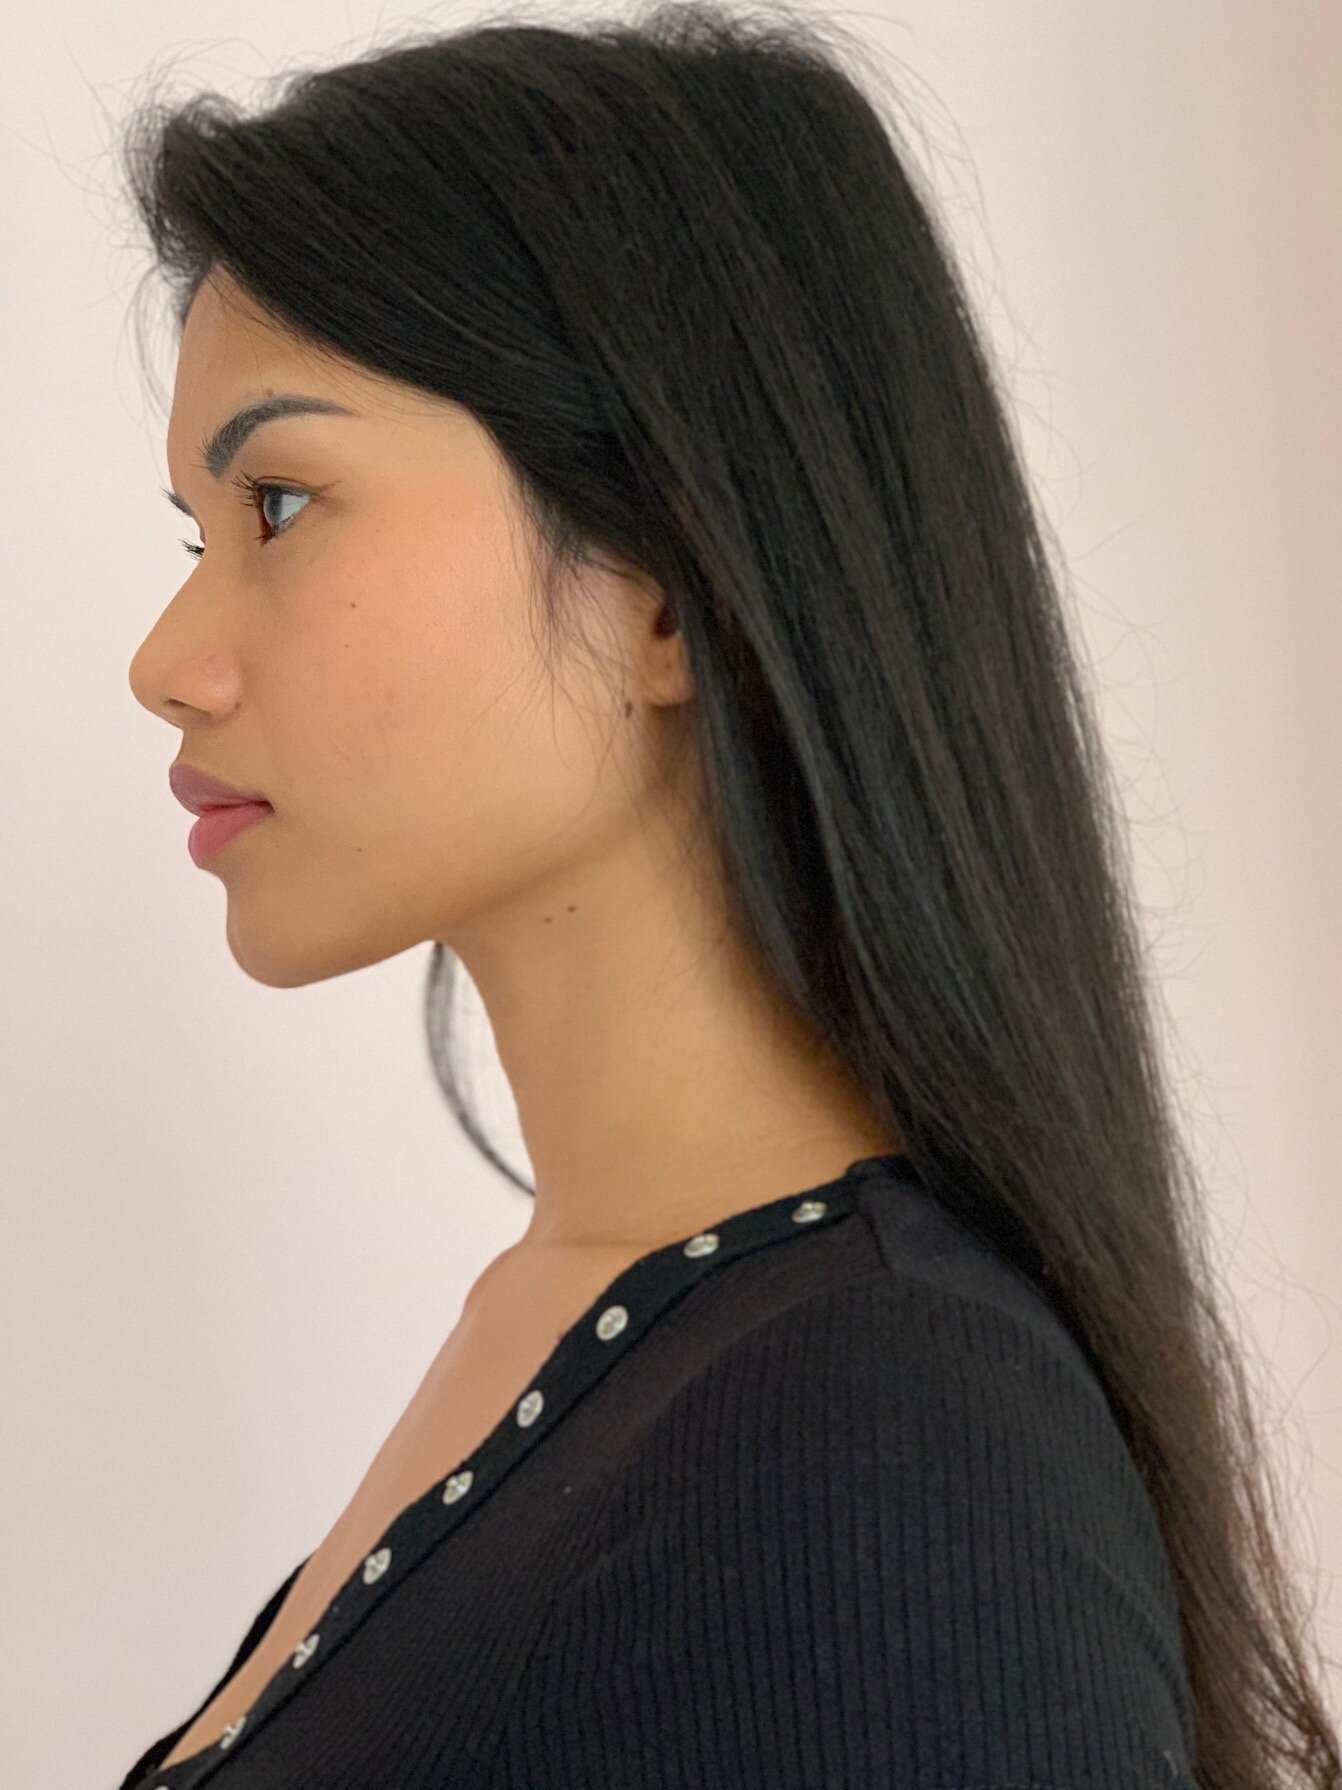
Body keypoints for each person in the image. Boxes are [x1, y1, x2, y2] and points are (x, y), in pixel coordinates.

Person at [114, 5, 1339, 1787]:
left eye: (282, 505)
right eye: (194, 531)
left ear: (669, 581)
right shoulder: (599, 1333)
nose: (166, 660)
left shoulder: (886, 1449)